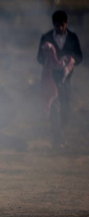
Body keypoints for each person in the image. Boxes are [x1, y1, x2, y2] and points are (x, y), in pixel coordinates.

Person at [37, 10, 82, 149]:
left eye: (62, 25)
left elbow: (80, 57)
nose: (60, 28)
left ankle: (60, 132)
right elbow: (39, 58)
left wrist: (69, 60)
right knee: (54, 109)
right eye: (57, 25)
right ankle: (57, 139)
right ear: (54, 25)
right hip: (52, 79)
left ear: (66, 24)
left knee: (66, 109)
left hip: (66, 80)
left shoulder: (73, 37)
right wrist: (48, 57)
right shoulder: (46, 38)